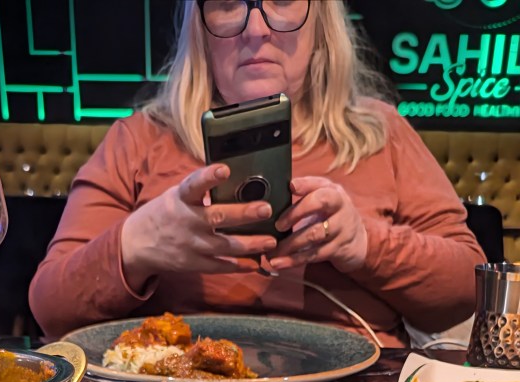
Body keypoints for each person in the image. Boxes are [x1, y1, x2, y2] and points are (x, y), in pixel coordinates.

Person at [29, 0, 484, 347]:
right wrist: (136, 246)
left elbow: (466, 292)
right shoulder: (139, 139)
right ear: (199, 28)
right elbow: (51, 309)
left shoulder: (382, 132)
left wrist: (363, 243)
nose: (257, 28)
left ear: (320, 20)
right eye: (228, 4)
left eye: (282, 1)